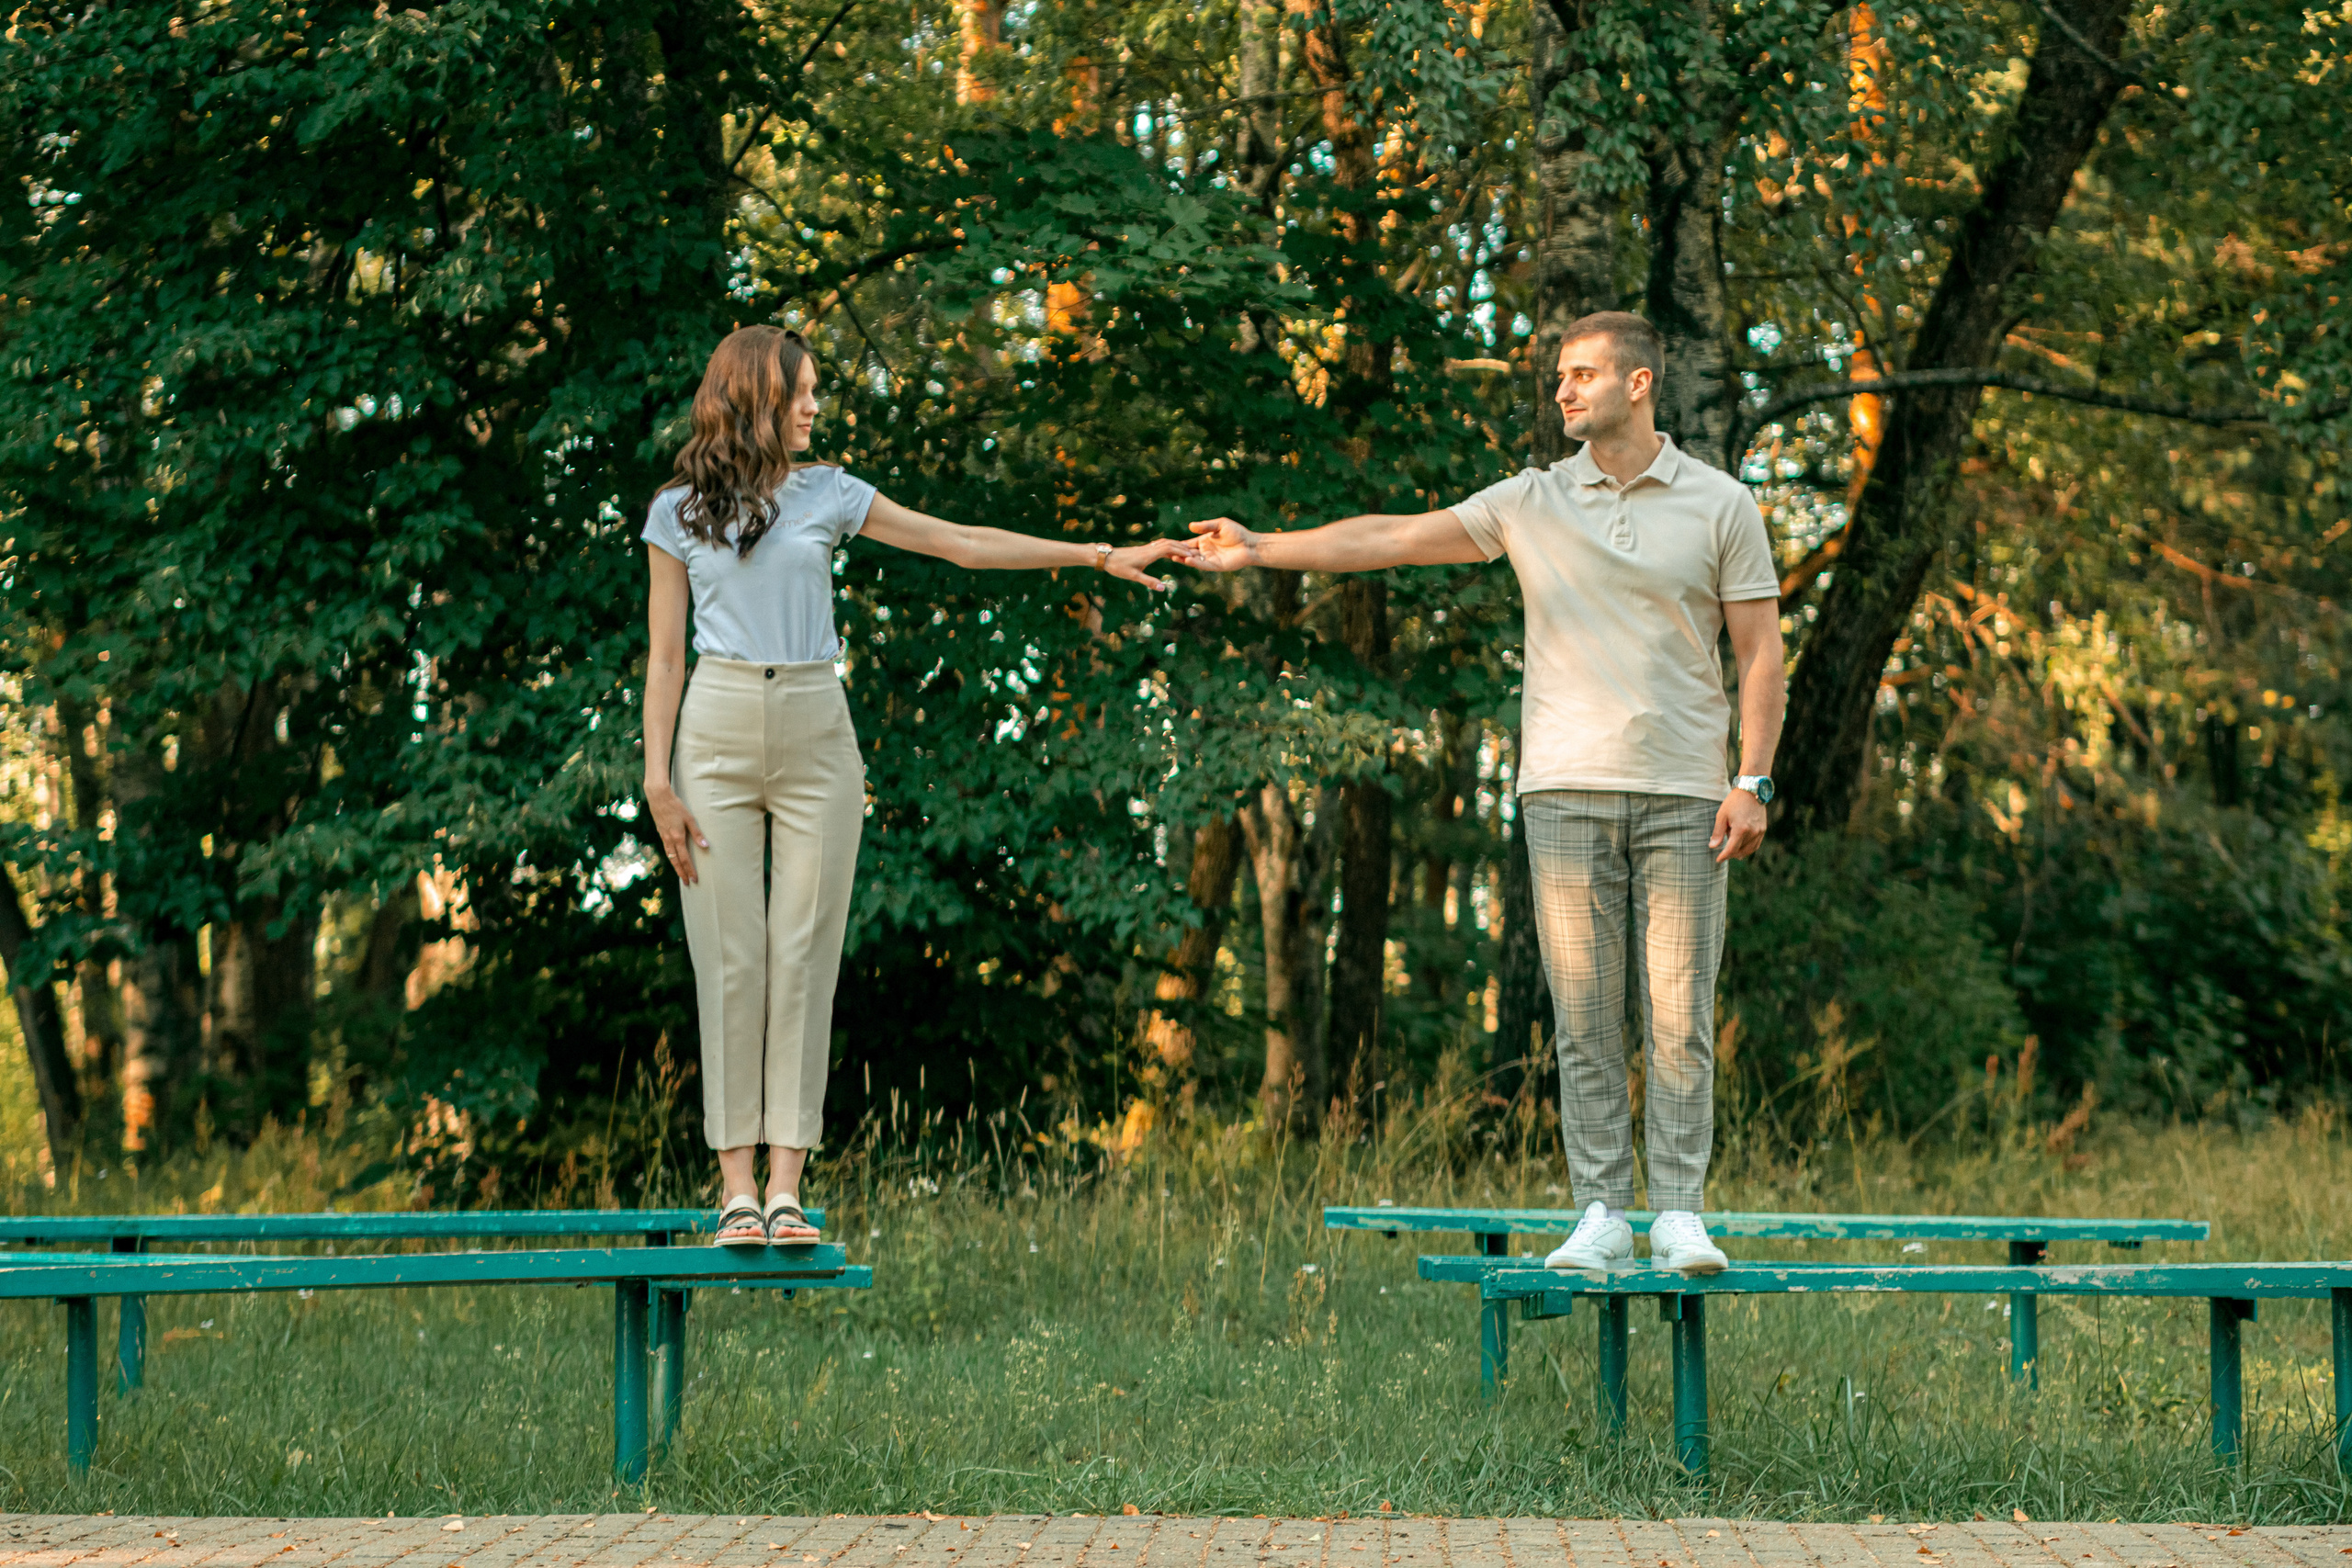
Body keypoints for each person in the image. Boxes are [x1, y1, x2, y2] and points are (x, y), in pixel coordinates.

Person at [1183, 310, 1784, 1275]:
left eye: (1582, 374)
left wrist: (1750, 779)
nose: (1562, 390)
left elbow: (1759, 656)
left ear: (1638, 383)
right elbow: (1391, 537)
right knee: (1584, 1014)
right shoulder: (1530, 500)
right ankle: (1599, 1212)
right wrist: (1263, 549)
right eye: (1558, 377)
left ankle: (1677, 1215)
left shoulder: (1720, 505)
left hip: (1684, 792)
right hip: (1561, 791)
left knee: (1678, 1014)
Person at [642, 325, 1195, 1246]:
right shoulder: (677, 511)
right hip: (715, 732)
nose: (816, 405)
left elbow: (965, 544)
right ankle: (734, 1189)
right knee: (731, 958)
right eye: (802, 391)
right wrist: (655, 778)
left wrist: (1100, 554)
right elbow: (664, 658)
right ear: (752, 398)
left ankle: (785, 1190)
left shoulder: (831, 494)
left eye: (818, 390)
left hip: (819, 731)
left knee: (804, 958)